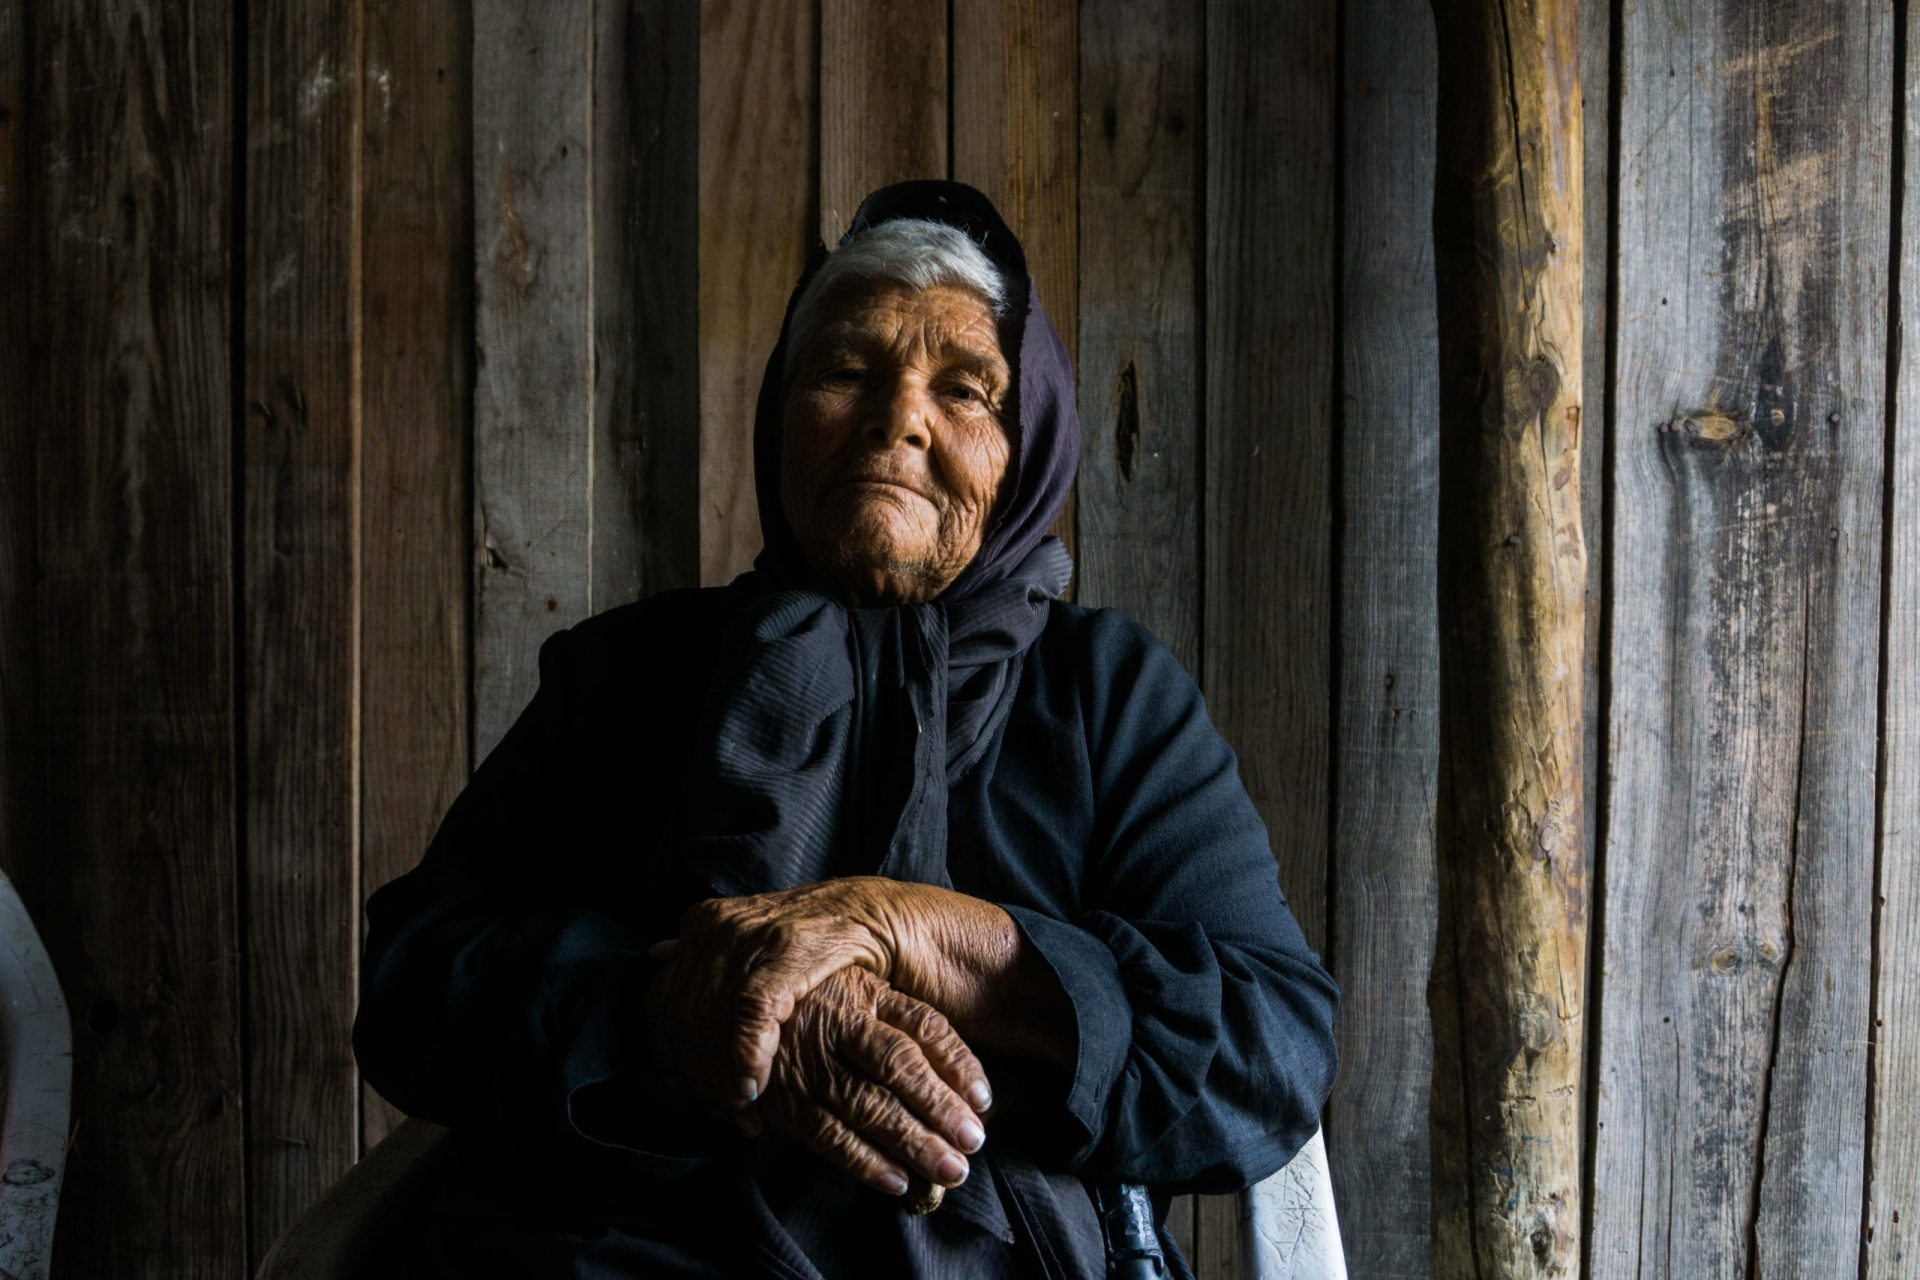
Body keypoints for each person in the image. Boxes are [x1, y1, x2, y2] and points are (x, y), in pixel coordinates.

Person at [353, 179, 1339, 1279]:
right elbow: (414, 977)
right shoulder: (632, 670)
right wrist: (688, 1014)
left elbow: (1272, 1048)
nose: (898, 415)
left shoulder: (1105, 689)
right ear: (781, 417)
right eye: (844, 371)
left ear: (1030, 449)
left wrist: (919, 934)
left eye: (964, 387)